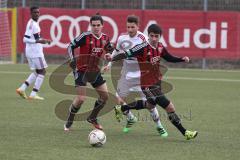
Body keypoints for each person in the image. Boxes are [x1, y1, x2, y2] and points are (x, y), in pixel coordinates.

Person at [108, 24, 198, 140]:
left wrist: (181, 59)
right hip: (147, 86)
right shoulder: (141, 47)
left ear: (160, 36)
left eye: (156, 36)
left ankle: (122, 108)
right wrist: (112, 58)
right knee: (170, 107)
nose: (154, 39)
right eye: (151, 36)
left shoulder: (160, 47)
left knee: (150, 105)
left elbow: (169, 57)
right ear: (148, 35)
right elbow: (125, 54)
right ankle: (185, 133)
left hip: (157, 82)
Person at [104, 15, 167, 136]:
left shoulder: (143, 38)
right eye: (128, 27)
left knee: (150, 104)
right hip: (127, 75)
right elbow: (116, 52)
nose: (130, 29)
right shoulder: (122, 38)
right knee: (118, 100)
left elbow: (152, 54)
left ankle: (159, 126)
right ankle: (131, 118)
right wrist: (109, 63)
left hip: (141, 76)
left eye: (132, 27)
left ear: (138, 26)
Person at [64, 13, 113, 131]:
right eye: (93, 25)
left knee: (105, 96)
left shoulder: (105, 38)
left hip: (95, 71)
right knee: (81, 98)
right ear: (90, 25)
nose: (96, 27)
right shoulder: (85, 36)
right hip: (81, 70)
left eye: (98, 25)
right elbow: (70, 46)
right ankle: (70, 120)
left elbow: (110, 50)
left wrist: (109, 55)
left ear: (102, 25)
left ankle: (93, 117)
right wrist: (72, 60)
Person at [16, 6, 51, 100]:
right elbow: (25, 39)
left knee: (37, 71)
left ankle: (22, 89)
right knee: (43, 71)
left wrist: (44, 40)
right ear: (31, 14)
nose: (37, 14)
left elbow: (36, 38)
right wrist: (38, 41)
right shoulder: (32, 24)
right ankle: (33, 94)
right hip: (35, 53)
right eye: (35, 12)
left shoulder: (34, 23)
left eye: (38, 12)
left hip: (32, 52)